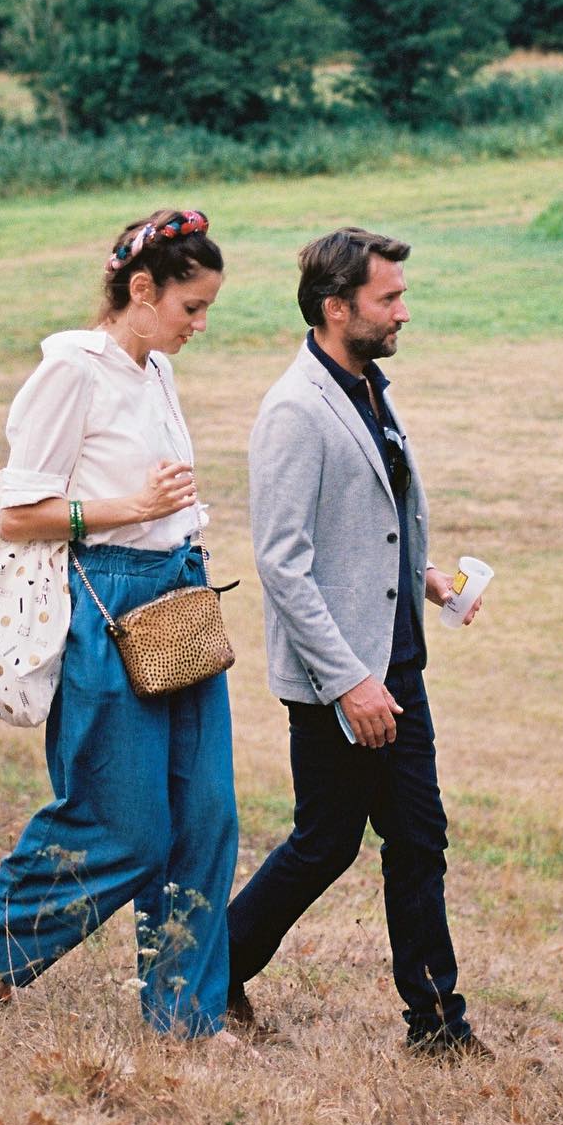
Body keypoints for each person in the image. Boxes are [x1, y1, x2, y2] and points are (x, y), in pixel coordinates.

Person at [0, 208, 240, 1041]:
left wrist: (171, 523)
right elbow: (18, 514)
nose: (201, 326)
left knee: (207, 817)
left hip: (177, 599)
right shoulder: (70, 370)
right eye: (192, 308)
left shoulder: (153, 372)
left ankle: (184, 1021)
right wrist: (130, 508)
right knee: (128, 825)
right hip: (105, 606)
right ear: (141, 291)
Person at [226, 227, 490, 1058]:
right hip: (340, 679)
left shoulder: (369, 387)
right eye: (390, 298)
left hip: (396, 662)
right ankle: (203, 970)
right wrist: (349, 683)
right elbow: (284, 564)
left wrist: (430, 578)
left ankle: (437, 1027)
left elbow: (372, 525)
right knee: (326, 843)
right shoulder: (296, 411)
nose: (404, 312)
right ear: (337, 308)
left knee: (417, 839)